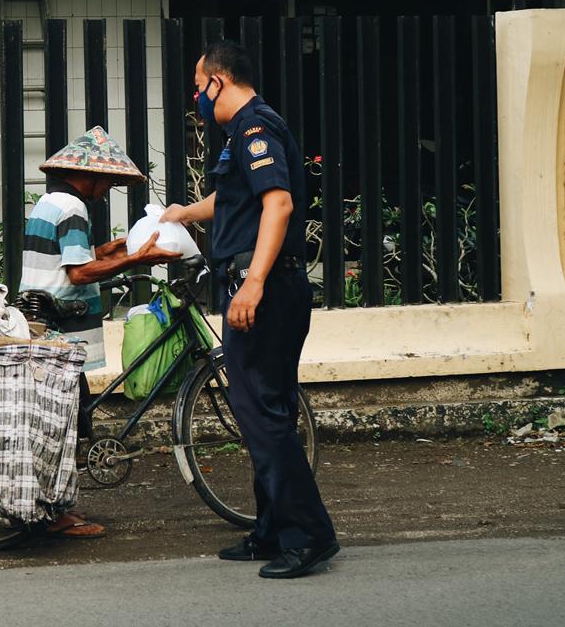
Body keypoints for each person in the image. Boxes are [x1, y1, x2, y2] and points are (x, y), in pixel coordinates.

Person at [160, 40, 339, 579]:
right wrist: (184, 213)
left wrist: (254, 282)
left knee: (262, 413)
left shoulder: (256, 128)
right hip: (262, 287)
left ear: (219, 81)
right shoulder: (241, 133)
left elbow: (277, 203)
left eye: (199, 85)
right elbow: (234, 199)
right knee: (266, 412)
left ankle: (308, 535)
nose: (196, 96)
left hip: (267, 289)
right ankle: (272, 530)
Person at [21, 125, 179, 538]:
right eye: (106, 181)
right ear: (88, 175)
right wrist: (136, 260)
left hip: (42, 326)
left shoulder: (50, 202)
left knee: (68, 418)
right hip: (60, 332)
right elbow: (78, 273)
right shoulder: (73, 208)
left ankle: (56, 505)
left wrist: (114, 248)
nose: (107, 191)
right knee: (65, 423)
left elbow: (69, 257)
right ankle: (57, 516)